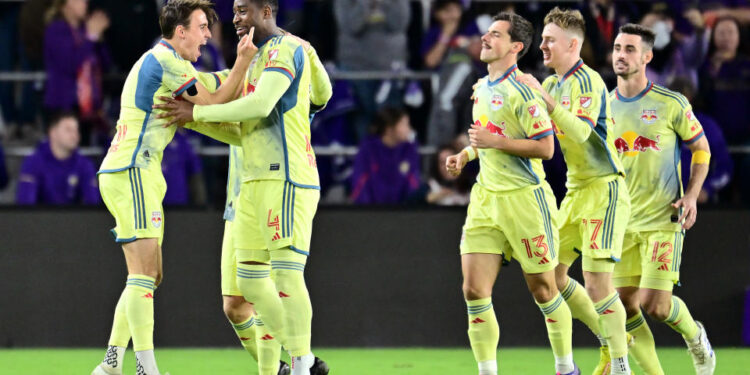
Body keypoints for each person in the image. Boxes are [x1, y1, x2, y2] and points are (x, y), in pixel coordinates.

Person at [154, 1, 332, 373]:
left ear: (266, 10)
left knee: (285, 275)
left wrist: (198, 113)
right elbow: (238, 125)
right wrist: (188, 116)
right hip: (250, 183)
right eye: (233, 11)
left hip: (285, 176)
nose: (235, 18)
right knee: (250, 284)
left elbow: (264, 104)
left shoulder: (288, 49)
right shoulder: (251, 61)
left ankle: (299, 364)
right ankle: (304, 358)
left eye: (242, 10)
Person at [91, 1, 256, 374]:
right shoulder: (166, 61)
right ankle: (146, 369)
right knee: (143, 273)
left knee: (149, 274)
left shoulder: (168, 63)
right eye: (200, 27)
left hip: (139, 172)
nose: (207, 36)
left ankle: (111, 363)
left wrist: (240, 70)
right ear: (179, 31)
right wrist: (245, 62)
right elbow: (214, 100)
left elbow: (210, 88)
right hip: (132, 169)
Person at [445, 12, 577, 375]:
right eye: (486, 34)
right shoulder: (480, 88)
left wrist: (494, 142)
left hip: (525, 200)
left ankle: (566, 367)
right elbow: (484, 138)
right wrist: (466, 154)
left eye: (495, 35)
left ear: (515, 47)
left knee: (544, 290)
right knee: (473, 291)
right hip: (486, 199)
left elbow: (546, 148)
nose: (485, 39)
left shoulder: (525, 90)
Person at [516, 7, 632, 374]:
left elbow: (581, 132)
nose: (543, 46)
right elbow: (532, 131)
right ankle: (609, 338)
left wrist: (545, 100)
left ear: (572, 45)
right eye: (543, 39)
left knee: (599, 284)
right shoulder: (551, 84)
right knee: (552, 275)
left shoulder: (590, 81)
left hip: (605, 189)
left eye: (550, 40)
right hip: (576, 191)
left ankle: (621, 364)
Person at [609, 23, 715, 375]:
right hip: (621, 222)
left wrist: (692, 196)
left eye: (629, 49)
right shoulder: (603, 106)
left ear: (647, 56)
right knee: (625, 305)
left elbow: (701, 148)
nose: (620, 55)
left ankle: (695, 337)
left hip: (663, 219)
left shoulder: (671, 103)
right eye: (617, 48)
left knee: (655, 305)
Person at [333, 0, 410, 141]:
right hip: (356, 69)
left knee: (392, 122)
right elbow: (351, 26)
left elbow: (400, 23)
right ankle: (365, 161)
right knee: (362, 122)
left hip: (390, 70)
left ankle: (391, 162)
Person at [43, 0, 111, 145]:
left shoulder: (85, 30)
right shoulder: (56, 30)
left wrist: (98, 39)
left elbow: (105, 65)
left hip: (87, 109)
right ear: (65, 4)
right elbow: (69, 64)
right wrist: (91, 37)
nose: (86, 3)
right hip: (63, 107)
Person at [16, 112, 98, 205]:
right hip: (40, 219)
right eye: (68, 130)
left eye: (76, 130)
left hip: (74, 219)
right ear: (53, 132)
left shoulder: (85, 165)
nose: (74, 135)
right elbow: (25, 206)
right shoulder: (33, 163)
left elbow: (92, 205)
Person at [350, 107, 420, 204]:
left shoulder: (409, 149)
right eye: (404, 125)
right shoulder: (368, 148)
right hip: (371, 212)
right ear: (389, 129)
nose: (409, 129)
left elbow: (413, 183)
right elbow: (360, 182)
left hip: (402, 213)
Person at [161, 129, 206, 206]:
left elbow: (195, 172)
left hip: (178, 201)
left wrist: (200, 201)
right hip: (156, 199)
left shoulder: (182, 140)